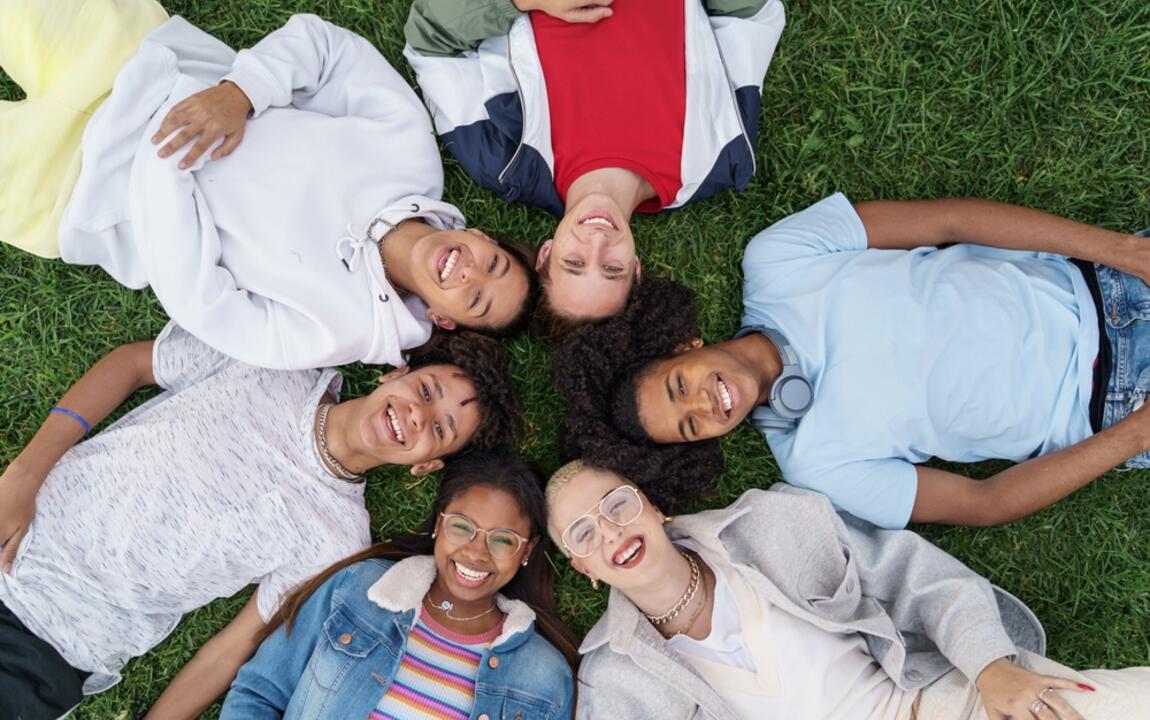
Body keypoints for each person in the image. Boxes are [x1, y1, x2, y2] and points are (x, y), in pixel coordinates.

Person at [0, 323, 522, 720]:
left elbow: (234, 646)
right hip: (15, 531)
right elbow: (135, 364)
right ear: (397, 373)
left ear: (426, 465)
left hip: (57, 645)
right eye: (425, 392)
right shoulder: (278, 361)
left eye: (439, 428)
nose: (414, 415)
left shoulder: (337, 539)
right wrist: (22, 476)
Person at [555, 195, 1150, 528]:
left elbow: (949, 220)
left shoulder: (777, 261)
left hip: (1111, 285)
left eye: (679, 386)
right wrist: (1133, 435)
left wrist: (1123, 251)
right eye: (690, 425)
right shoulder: (814, 464)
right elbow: (982, 504)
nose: (705, 404)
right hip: (1121, 403)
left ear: (684, 347)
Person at [0, 1, 536, 370]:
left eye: (477, 301)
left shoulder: (337, 330)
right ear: (484, 237)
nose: (470, 273)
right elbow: (328, 49)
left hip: (77, 192)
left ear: (444, 318)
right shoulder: (411, 158)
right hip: (141, 62)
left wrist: (166, 162)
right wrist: (240, 93)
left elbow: (198, 299)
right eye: (493, 265)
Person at [546, 460, 1150, 719]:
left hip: (940, 705)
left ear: (652, 506)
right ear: (584, 569)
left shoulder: (773, 523)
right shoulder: (615, 676)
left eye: (617, 504)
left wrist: (992, 669)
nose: (611, 531)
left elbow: (918, 578)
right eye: (584, 533)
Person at [402, 0, 786, 329]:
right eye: (612, 269)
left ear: (547, 253)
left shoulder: (503, 159)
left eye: (574, 262)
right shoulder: (721, 156)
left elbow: (429, 38)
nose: (598, 244)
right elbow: (750, 16)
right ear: (635, 267)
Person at [220, 450, 577, 719]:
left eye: (502, 540)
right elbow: (261, 691)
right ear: (439, 523)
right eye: (461, 527)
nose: (476, 553)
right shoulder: (357, 589)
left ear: (526, 550)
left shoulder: (544, 679)